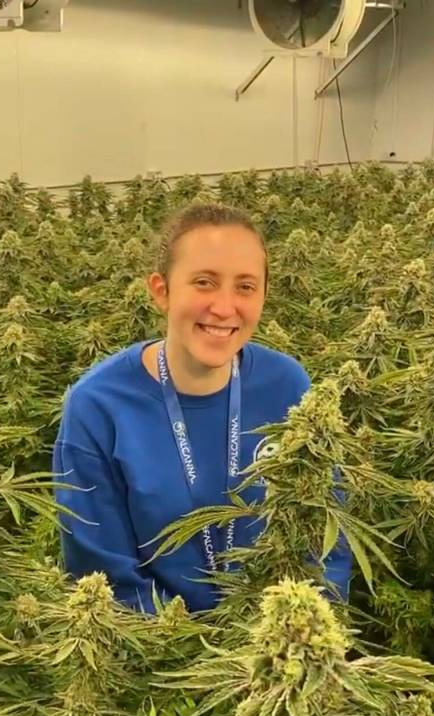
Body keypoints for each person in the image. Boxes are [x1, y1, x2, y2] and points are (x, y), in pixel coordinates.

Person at [52, 202, 351, 614]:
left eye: (245, 286)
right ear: (162, 290)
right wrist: (189, 654)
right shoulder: (98, 406)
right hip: (158, 653)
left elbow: (326, 533)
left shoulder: (288, 385)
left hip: (282, 643)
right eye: (204, 282)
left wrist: (307, 629)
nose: (225, 307)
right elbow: (104, 571)